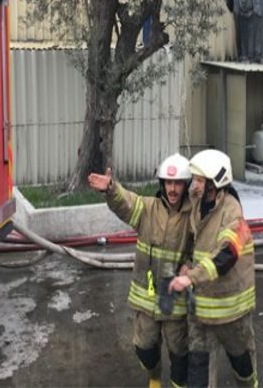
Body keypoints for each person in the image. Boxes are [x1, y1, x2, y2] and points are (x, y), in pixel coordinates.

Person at [88, 153, 194, 388]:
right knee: (144, 347)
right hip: (146, 297)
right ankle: (154, 377)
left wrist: (191, 265)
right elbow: (126, 203)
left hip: (175, 299)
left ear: (186, 185)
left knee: (179, 352)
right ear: (162, 184)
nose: (173, 189)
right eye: (168, 182)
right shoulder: (148, 209)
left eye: (177, 183)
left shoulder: (193, 216)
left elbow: (203, 247)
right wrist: (111, 190)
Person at [168, 149, 257, 388]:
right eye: (194, 179)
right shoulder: (197, 206)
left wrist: (191, 278)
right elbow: (195, 244)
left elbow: (228, 253)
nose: (193, 185)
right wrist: (187, 263)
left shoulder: (232, 212)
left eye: (198, 180)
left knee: (242, 364)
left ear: (213, 184)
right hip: (201, 308)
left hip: (231, 310)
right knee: (198, 367)